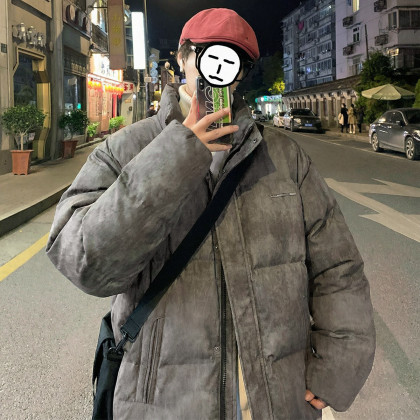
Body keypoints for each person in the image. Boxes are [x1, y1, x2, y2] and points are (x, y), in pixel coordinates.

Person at [46, 8, 375, 420]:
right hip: (163, 405)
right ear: (183, 57)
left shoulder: (285, 157)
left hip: (273, 404)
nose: (218, 71)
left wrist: (336, 366)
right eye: (207, 53)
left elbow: (339, 269)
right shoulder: (126, 148)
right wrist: (178, 154)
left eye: (233, 59)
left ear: (240, 74)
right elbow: (84, 262)